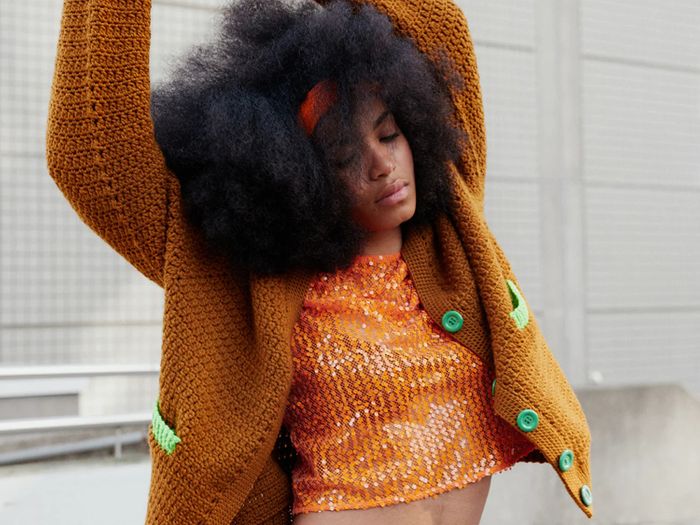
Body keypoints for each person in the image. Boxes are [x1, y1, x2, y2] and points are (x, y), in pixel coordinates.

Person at [45, 0, 594, 523]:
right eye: (344, 157)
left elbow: (436, 24)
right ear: (299, 180)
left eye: (389, 134)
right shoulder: (246, 274)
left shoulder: (453, 224)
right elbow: (91, 155)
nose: (381, 165)